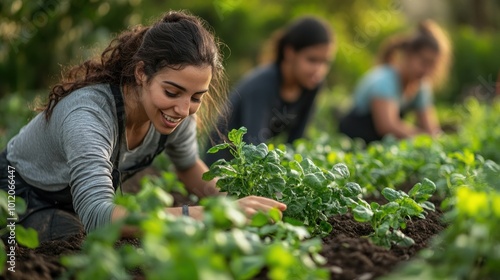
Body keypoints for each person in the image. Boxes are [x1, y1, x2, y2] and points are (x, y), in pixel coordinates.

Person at [0, 11, 286, 242]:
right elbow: (100, 218)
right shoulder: (88, 115)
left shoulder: (178, 112)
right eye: (172, 92)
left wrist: (233, 204)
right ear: (141, 73)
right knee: (76, 237)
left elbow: (188, 166)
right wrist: (206, 216)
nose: (184, 109)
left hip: (74, 200)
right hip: (18, 194)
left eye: (197, 97)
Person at [204, 17, 335, 165]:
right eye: (312, 60)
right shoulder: (262, 84)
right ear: (290, 52)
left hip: (252, 163)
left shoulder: (312, 85)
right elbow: (253, 144)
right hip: (222, 163)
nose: (319, 70)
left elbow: (297, 140)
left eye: (325, 62)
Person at [339, 20, 451, 144]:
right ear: (408, 55)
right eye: (424, 62)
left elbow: (431, 128)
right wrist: (424, 138)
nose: (427, 70)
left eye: (433, 65)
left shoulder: (421, 86)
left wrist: (436, 139)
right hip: (356, 138)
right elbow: (387, 126)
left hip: (381, 143)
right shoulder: (385, 81)